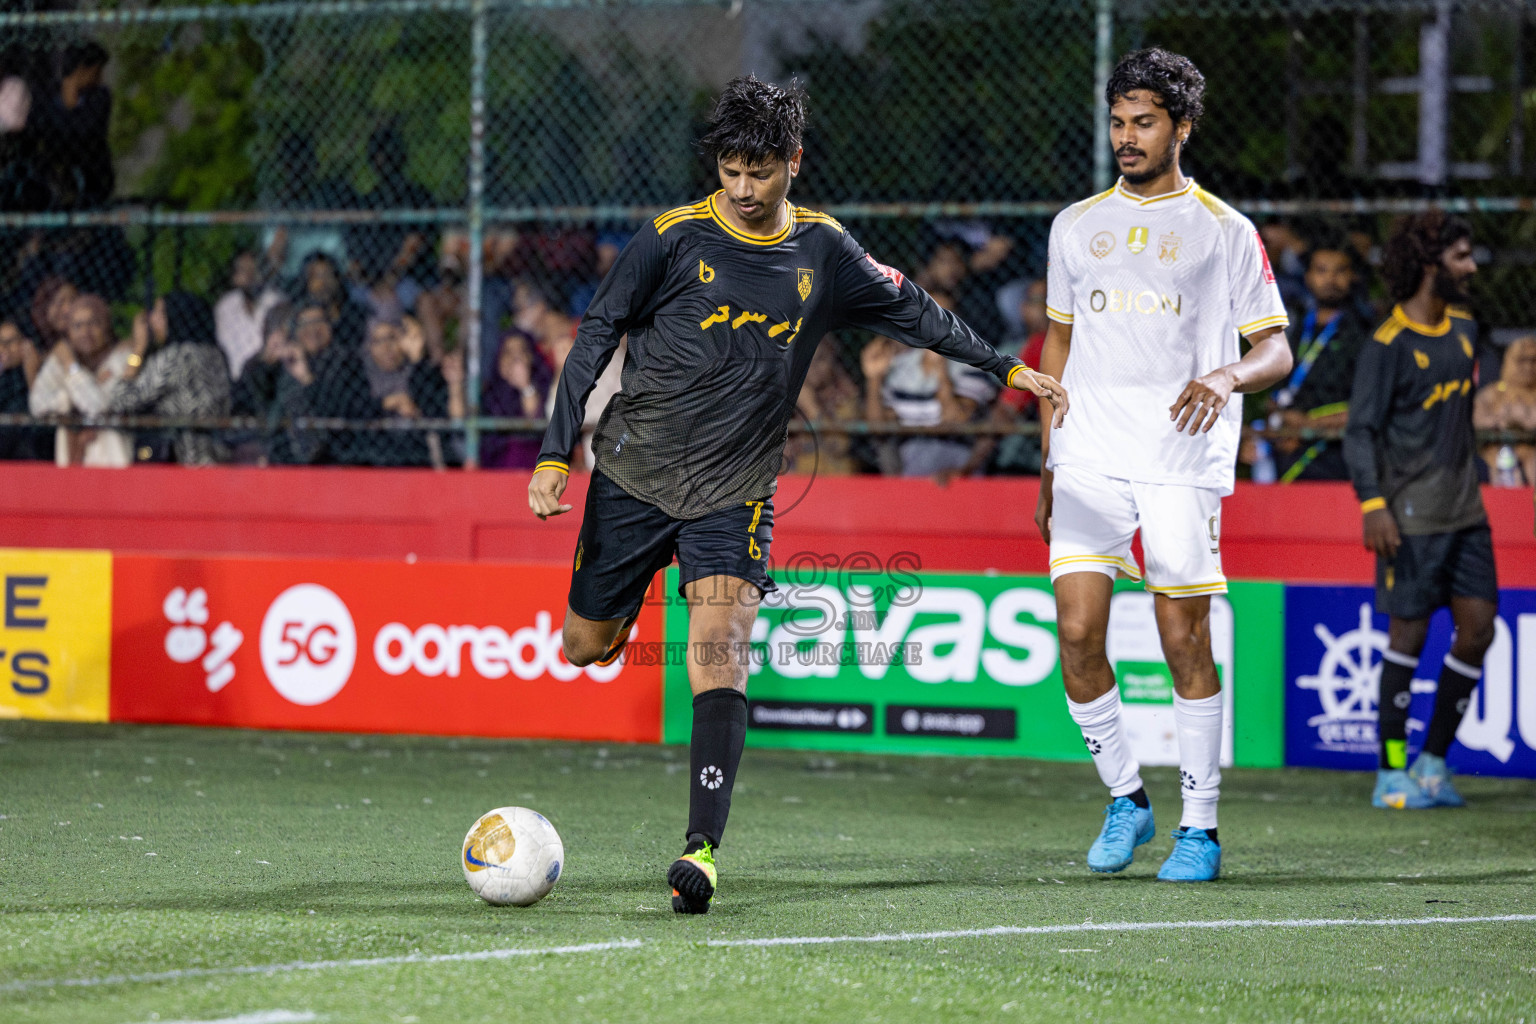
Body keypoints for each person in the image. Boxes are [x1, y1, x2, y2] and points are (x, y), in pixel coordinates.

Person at [527, 74, 1064, 915]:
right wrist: (556, 454)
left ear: (794, 163)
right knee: (584, 647)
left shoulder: (823, 251)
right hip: (634, 473)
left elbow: (913, 310)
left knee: (720, 650)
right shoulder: (670, 239)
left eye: (761, 171)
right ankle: (630, 598)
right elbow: (598, 331)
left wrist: (1005, 367)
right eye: (731, 171)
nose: (743, 190)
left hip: (735, 488)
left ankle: (701, 849)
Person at [1034, 49, 1292, 883]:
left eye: (1144, 122)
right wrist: (1047, 457)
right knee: (1076, 633)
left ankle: (1201, 828)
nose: (1127, 137)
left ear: (1182, 126)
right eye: (1118, 121)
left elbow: (1276, 348)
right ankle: (1125, 799)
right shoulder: (1074, 224)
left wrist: (1227, 373)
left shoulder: (1225, 229)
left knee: (1183, 638)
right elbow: (1059, 343)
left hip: (1180, 457)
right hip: (1088, 453)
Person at [1345, 211, 1496, 811]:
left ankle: (1433, 761)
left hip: (1467, 514)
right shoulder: (1388, 343)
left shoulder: (1465, 329)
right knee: (1406, 638)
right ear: (1432, 265)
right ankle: (1391, 772)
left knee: (1479, 629)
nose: (1472, 266)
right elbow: (1360, 432)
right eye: (1461, 256)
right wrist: (1374, 506)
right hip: (1408, 520)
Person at [1268, 237, 1372, 482]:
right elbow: (1274, 394)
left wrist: (1305, 426)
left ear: (1353, 277)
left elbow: (1368, 406)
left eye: (1340, 271)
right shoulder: (1294, 327)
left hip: (1336, 451)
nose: (1331, 280)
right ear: (1307, 277)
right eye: (1322, 270)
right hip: (1287, 443)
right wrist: (1281, 421)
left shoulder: (1364, 334)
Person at [108, 291, 232, 466]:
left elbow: (120, 400)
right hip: (217, 458)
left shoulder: (175, 357)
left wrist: (138, 349)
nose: (151, 319)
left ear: (175, 316)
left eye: (159, 312)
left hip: (185, 460)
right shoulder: (215, 355)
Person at [28, 292, 132, 466]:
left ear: (106, 327)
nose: (85, 332)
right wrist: (68, 399)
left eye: (93, 324)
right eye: (77, 326)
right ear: (69, 331)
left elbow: (96, 407)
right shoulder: (59, 360)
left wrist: (71, 368)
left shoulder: (122, 358)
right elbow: (36, 404)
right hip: (70, 464)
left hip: (112, 465)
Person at [1473, 336, 1536, 486]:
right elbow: (1477, 418)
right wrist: (1500, 419)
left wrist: (1527, 418)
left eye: (1534, 361)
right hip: (1495, 454)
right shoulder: (1494, 393)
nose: (1528, 367)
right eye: (1522, 361)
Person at [214, 250, 285, 380]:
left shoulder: (278, 303)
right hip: (232, 381)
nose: (250, 276)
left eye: (254, 269)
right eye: (243, 270)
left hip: (268, 377)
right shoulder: (225, 307)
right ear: (234, 278)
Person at [0, 315, 48, 459]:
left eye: (10, 342)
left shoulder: (37, 370)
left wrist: (31, 371)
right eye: (0, 342)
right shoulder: (3, 375)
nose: (4, 348)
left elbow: (41, 409)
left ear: (25, 343)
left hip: (29, 444)